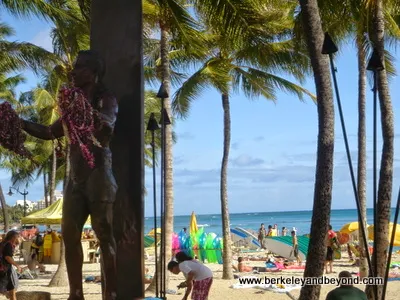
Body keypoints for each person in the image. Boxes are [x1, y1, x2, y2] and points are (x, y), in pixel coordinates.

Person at [20, 50, 118, 300]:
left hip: (99, 175)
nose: (73, 72)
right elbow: (49, 132)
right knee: (70, 234)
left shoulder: (106, 99)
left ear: (94, 72)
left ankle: (111, 293)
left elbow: (107, 125)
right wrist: (19, 122)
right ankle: (76, 294)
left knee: (104, 234)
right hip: (75, 179)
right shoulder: (72, 108)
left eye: (81, 67)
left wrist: (88, 111)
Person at [0, 231, 23, 300]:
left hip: (2, 268)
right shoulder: (8, 244)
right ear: (13, 237)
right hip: (5, 269)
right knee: (12, 289)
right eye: (18, 237)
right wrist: (17, 265)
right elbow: (7, 257)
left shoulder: (2, 243)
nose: (19, 238)